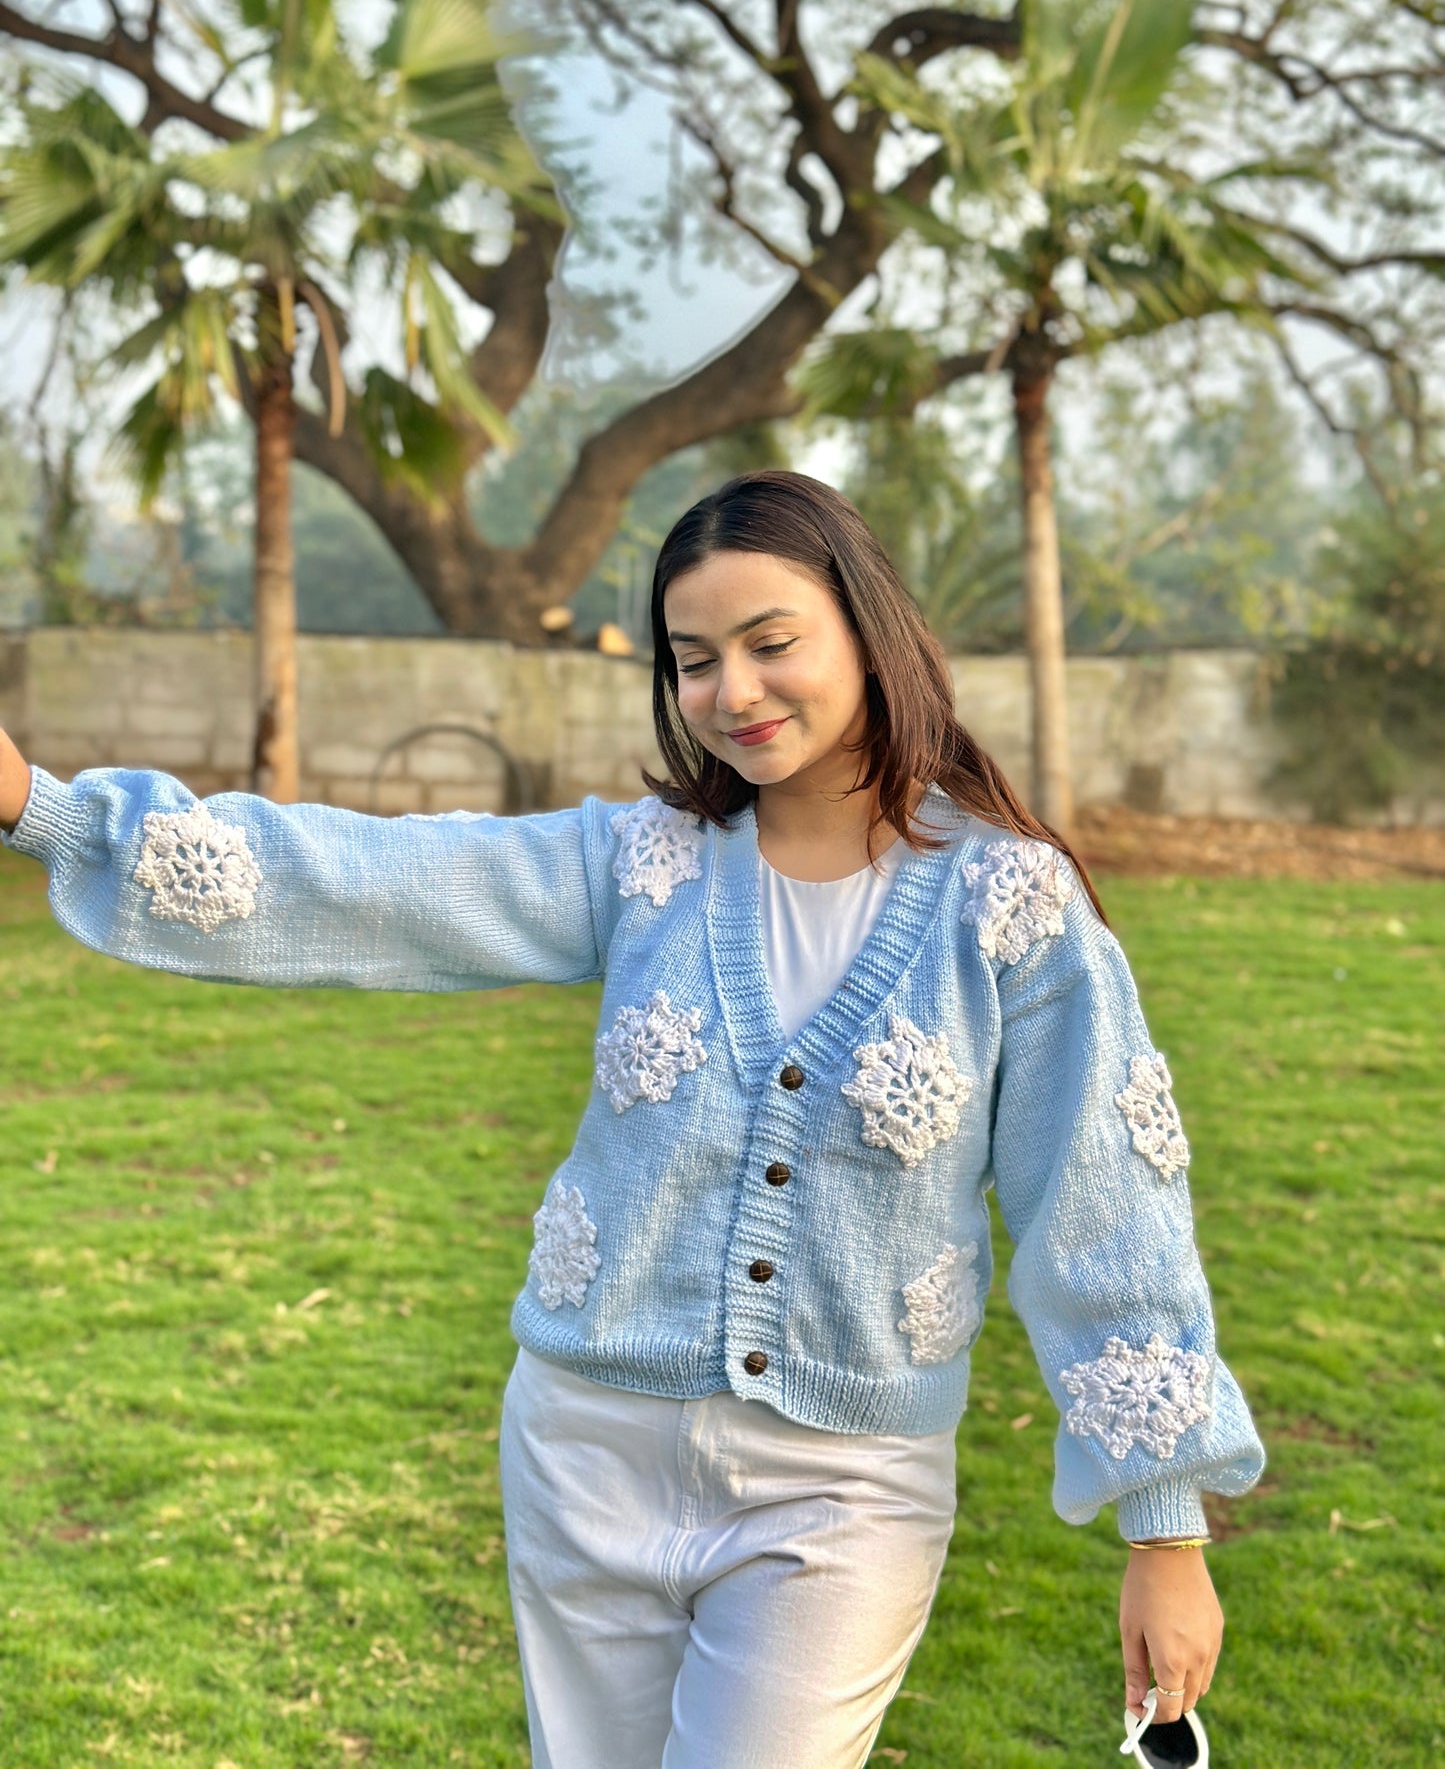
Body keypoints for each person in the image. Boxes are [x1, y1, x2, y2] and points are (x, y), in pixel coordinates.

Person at [0, 469, 1263, 1768]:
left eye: (772, 644)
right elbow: (378, 882)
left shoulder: (1007, 906)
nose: (735, 693)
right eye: (695, 660)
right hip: (580, 1453)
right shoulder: (639, 865)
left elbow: (1107, 1205)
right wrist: (38, 806)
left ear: (868, 635)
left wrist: (1163, 1533)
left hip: (843, 1494)